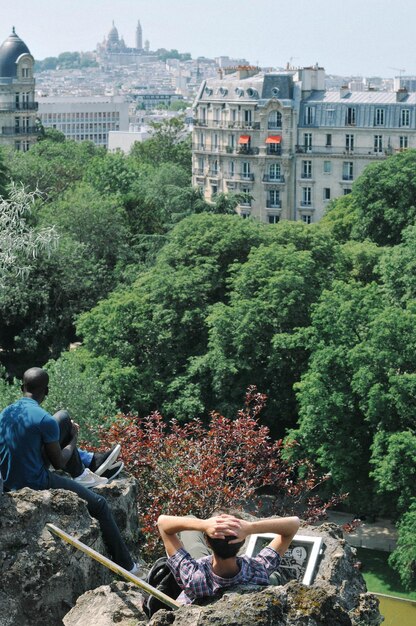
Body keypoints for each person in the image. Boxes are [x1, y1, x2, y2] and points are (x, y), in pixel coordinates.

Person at [0, 366, 139, 574]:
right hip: (35, 481)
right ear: (46, 391)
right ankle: (129, 567)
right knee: (100, 505)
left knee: (62, 417)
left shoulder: (5, 413)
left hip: (9, 480)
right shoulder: (44, 419)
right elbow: (59, 463)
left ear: (22, 387)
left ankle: (88, 463)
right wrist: (73, 437)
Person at [157, 511, 300, 605]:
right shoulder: (258, 571)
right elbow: (294, 524)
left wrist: (204, 524)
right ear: (243, 541)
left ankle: (196, 524)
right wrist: (250, 527)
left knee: (191, 523)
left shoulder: (193, 576)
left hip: (202, 585)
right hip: (244, 585)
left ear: (208, 542)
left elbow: (163, 523)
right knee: (274, 575)